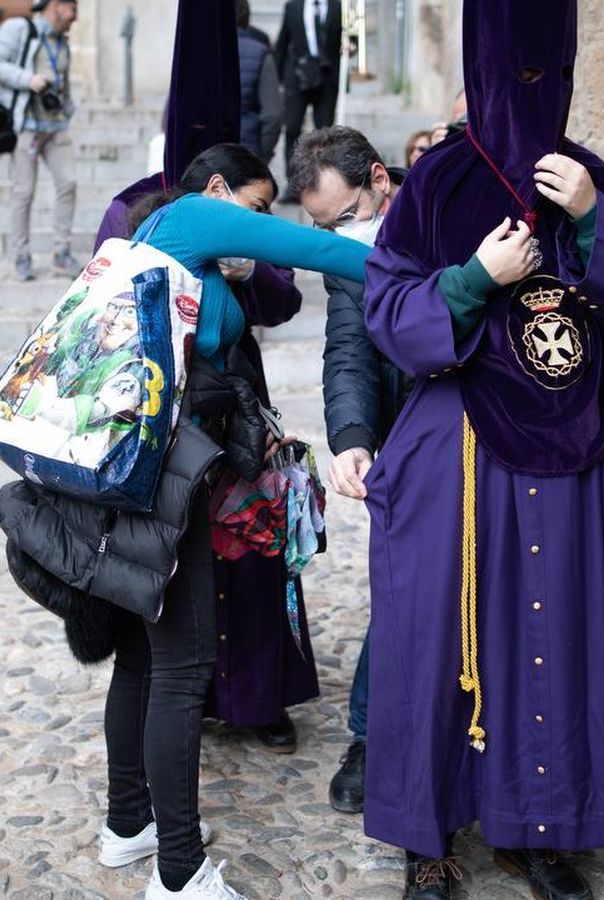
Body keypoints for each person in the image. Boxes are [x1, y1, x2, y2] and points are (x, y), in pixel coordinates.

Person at [359, 1, 604, 897]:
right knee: (438, 639)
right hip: (458, 446)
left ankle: (546, 831)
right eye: (517, 69)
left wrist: (588, 220)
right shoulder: (437, 184)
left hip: (573, 448)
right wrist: (474, 279)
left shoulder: (595, 178)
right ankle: (428, 841)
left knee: (557, 630)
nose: (532, 87)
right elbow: (387, 313)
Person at [90, 143, 370, 900]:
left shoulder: (160, 238)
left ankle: (128, 827)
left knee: (145, 661)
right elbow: (312, 247)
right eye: (254, 205)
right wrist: (434, 269)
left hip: (143, 473)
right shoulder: (192, 220)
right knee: (180, 669)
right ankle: (180, 875)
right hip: (163, 481)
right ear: (218, 191)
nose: (258, 221)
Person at [289, 124, 410, 816]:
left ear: (379, 183)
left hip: (481, 431)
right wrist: (353, 438)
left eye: (341, 219)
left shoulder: (439, 216)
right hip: (401, 441)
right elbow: (347, 352)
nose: (334, 238)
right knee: (399, 587)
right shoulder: (343, 258)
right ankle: (370, 735)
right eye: (319, 227)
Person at [0, 0, 78, 282]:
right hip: (25, 125)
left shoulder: (63, 42)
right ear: (58, 6)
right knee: (23, 191)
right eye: (73, 8)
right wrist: (28, 79)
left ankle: (62, 253)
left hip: (55, 124)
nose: (75, 16)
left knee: (68, 182)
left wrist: (69, 108)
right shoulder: (18, 29)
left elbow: (64, 81)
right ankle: (21, 255)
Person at [270, 0, 339, 201]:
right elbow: (283, 42)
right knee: (292, 129)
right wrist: (278, 79)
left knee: (325, 132)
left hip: (327, 76)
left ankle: (325, 184)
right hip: (297, 76)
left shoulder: (337, 7)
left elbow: (348, 41)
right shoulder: (293, 7)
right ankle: (294, 185)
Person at [234, 0, 278, 161]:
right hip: (248, 152)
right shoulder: (261, 53)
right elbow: (272, 116)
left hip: (209, 154)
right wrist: (261, 157)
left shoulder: (202, 51)